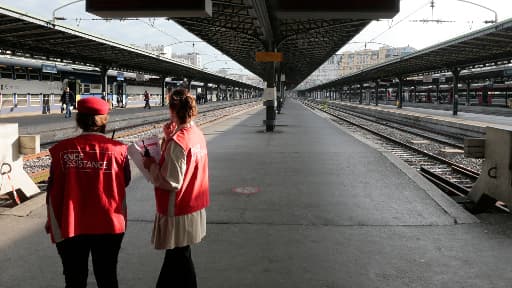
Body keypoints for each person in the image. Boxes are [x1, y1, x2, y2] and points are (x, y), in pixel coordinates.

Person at [45, 96, 131, 288]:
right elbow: (125, 181)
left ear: (79, 120)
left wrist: (50, 219)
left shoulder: (61, 150)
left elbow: (52, 187)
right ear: (104, 120)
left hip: (70, 223)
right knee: (107, 276)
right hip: (109, 223)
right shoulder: (119, 150)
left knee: (74, 278)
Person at [143, 88, 209, 288]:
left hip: (178, 209)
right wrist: (168, 137)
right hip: (192, 205)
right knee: (180, 257)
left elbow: (172, 180)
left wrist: (150, 165)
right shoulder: (196, 134)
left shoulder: (178, 142)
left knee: (178, 258)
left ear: (172, 110)